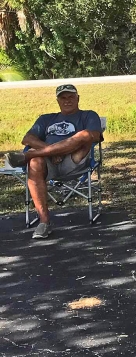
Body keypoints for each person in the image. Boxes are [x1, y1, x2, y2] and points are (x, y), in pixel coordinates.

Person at [22, 84, 103, 240]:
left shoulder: (88, 115)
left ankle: (31, 155)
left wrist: (56, 151)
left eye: (71, 97)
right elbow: (27, 138)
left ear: (78, 98)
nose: (67, 100)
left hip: (76, 160)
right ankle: (44, 223)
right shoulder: (46, 119)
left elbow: (94, 135)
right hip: (49, 162)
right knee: (34, 162)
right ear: (57, 100)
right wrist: (52, 152)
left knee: (84, 135)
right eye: (63, 97)